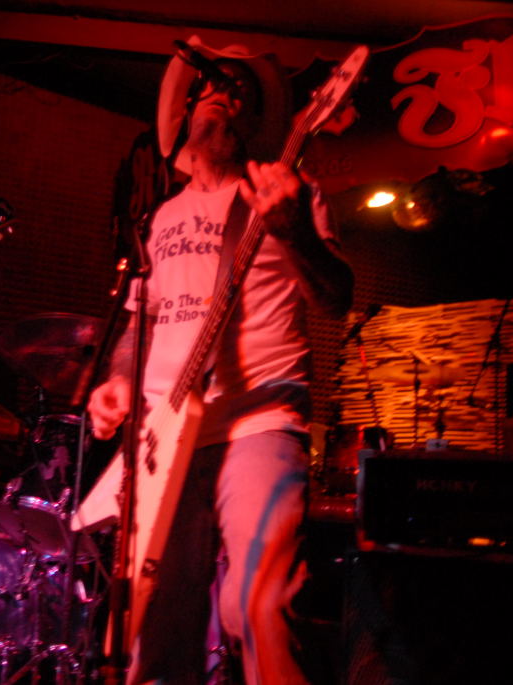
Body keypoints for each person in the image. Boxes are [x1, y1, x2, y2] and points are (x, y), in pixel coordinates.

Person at [87, 36, 353, 684]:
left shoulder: (291, 193)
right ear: (187, 112)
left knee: (258, 605)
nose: (223, 96)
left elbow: (337, 298)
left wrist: (293, 230)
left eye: (239, 91)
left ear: (254, 117)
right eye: (212, 85)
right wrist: (118, 380)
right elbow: (141, 321)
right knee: (153, 626)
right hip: (163, 438)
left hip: (258, 420)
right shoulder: (163, 216)